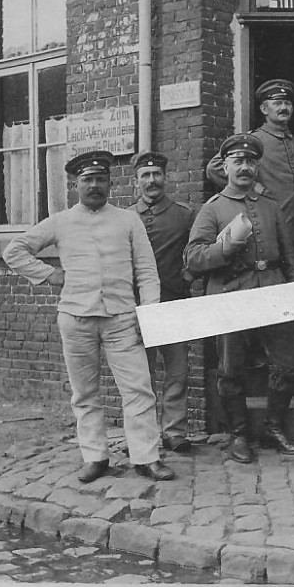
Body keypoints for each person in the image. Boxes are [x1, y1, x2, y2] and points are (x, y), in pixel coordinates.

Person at [3, 150, 174, 483]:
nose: (94, 185)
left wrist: (149, 311)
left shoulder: (128, 220)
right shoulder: (61, 221)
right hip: (76, 318)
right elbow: (14, 252)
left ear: (110, 183)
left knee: (138, 389)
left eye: (100, 179)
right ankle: (95, 457)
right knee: (84, 392)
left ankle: (146, 457)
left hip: (122, 318)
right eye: (87, 180)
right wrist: (50, 275)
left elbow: (147, 270)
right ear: (75, 185)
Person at [185, 133, 294, 463]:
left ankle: (274, 426)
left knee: (290, 363)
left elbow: (289, 253)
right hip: (230, 293)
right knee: (231, 368)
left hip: (271, 288)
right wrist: (224, 249)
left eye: (251, 161)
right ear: (225, 167)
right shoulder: (212, 210)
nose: (245, 167)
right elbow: (193, 258)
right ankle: (238, 433)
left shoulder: (271, 207)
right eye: (238, 161)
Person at [127, 150, 196, 454]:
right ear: (136, 181)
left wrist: (190, 274)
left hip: (174, 303)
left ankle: (174, 431)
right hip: (137, 307)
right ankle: (146, 433)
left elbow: (197, 249)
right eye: (145, 175)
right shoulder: (126, 217)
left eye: (156, 175)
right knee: (142, 375)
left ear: (165, 178)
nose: (152, 181)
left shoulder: (185, 214)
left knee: (178, 371)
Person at [205, 79, 294, 255]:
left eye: (287, 103)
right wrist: (253, 187)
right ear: (264, 109)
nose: (283, 108)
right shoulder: (254, 141)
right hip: (271, 229)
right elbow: (214, 167)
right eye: (277, 103)